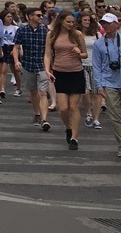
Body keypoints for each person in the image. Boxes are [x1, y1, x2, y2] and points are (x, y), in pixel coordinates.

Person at [45, 9, 88, 150]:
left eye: (72, 22)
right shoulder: (52, 35)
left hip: (76, 72)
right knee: (63, 108)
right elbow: (47, 55)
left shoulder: (77, 34)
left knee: (73, 107)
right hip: (60, 72)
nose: (71, 24)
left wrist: (79, 53)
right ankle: (68, 128)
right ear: (61, 21)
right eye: (68, 22)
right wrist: (47, 69)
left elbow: (85, 54)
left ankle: (75, 138)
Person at [13, 5, 52, 131]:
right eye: (38, 15)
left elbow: (48, 50)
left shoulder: (45, 31)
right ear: (30, 17)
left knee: (43, 92)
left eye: (41, 15)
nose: (41, 17)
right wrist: (16, 60)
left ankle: (44, 119)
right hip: (28, 64)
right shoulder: (22, 30)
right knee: (33, 91)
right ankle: (37, 113)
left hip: (42, 65)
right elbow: (16, 47)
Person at [90, 12, 121, 159]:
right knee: (116, 116)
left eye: (109, 23)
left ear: (117, 24)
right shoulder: (99, 43)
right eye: (104, 23)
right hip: (109, 82)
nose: (106, 26)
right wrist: (99, 84)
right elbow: (96, 66)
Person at [79, 9, 103, 130]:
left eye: (89, 20)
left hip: (95, 65)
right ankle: (88, 113)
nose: (87, 22)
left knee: (97, 92)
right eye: (85, 20)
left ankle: (96, 118)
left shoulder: (97, 34)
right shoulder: (76, 33)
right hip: (81, 64)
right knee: (85, 91)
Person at [0, 9, 22, 97]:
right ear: (3, 18)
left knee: (16, 71)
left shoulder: (15, 28)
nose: (10, 18)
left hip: (13, 48)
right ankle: (2, 89)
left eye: (11, 17)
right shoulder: (0, 27)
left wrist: (18, 50)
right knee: (3, 70)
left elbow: (19, 41)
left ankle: (18, 88)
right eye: (8, 16)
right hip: (3, 47)